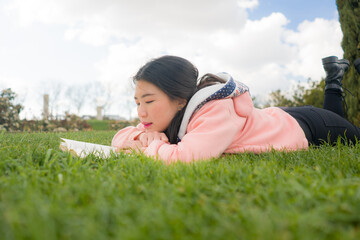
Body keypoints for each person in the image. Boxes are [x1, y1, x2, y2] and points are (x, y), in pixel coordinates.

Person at [111, 55, 360, 163]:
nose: (140, 112)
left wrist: (150, 146)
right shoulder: (168, 116)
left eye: (149, 101)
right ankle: (335, 78)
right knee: (339, 121)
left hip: (308, 125)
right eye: (137, 102)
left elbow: (187, 159)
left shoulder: (214, 110)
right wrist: (138, 136)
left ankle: (334, 80)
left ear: (180, 100)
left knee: (350, 134)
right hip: (277, 116)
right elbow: (119, 137)